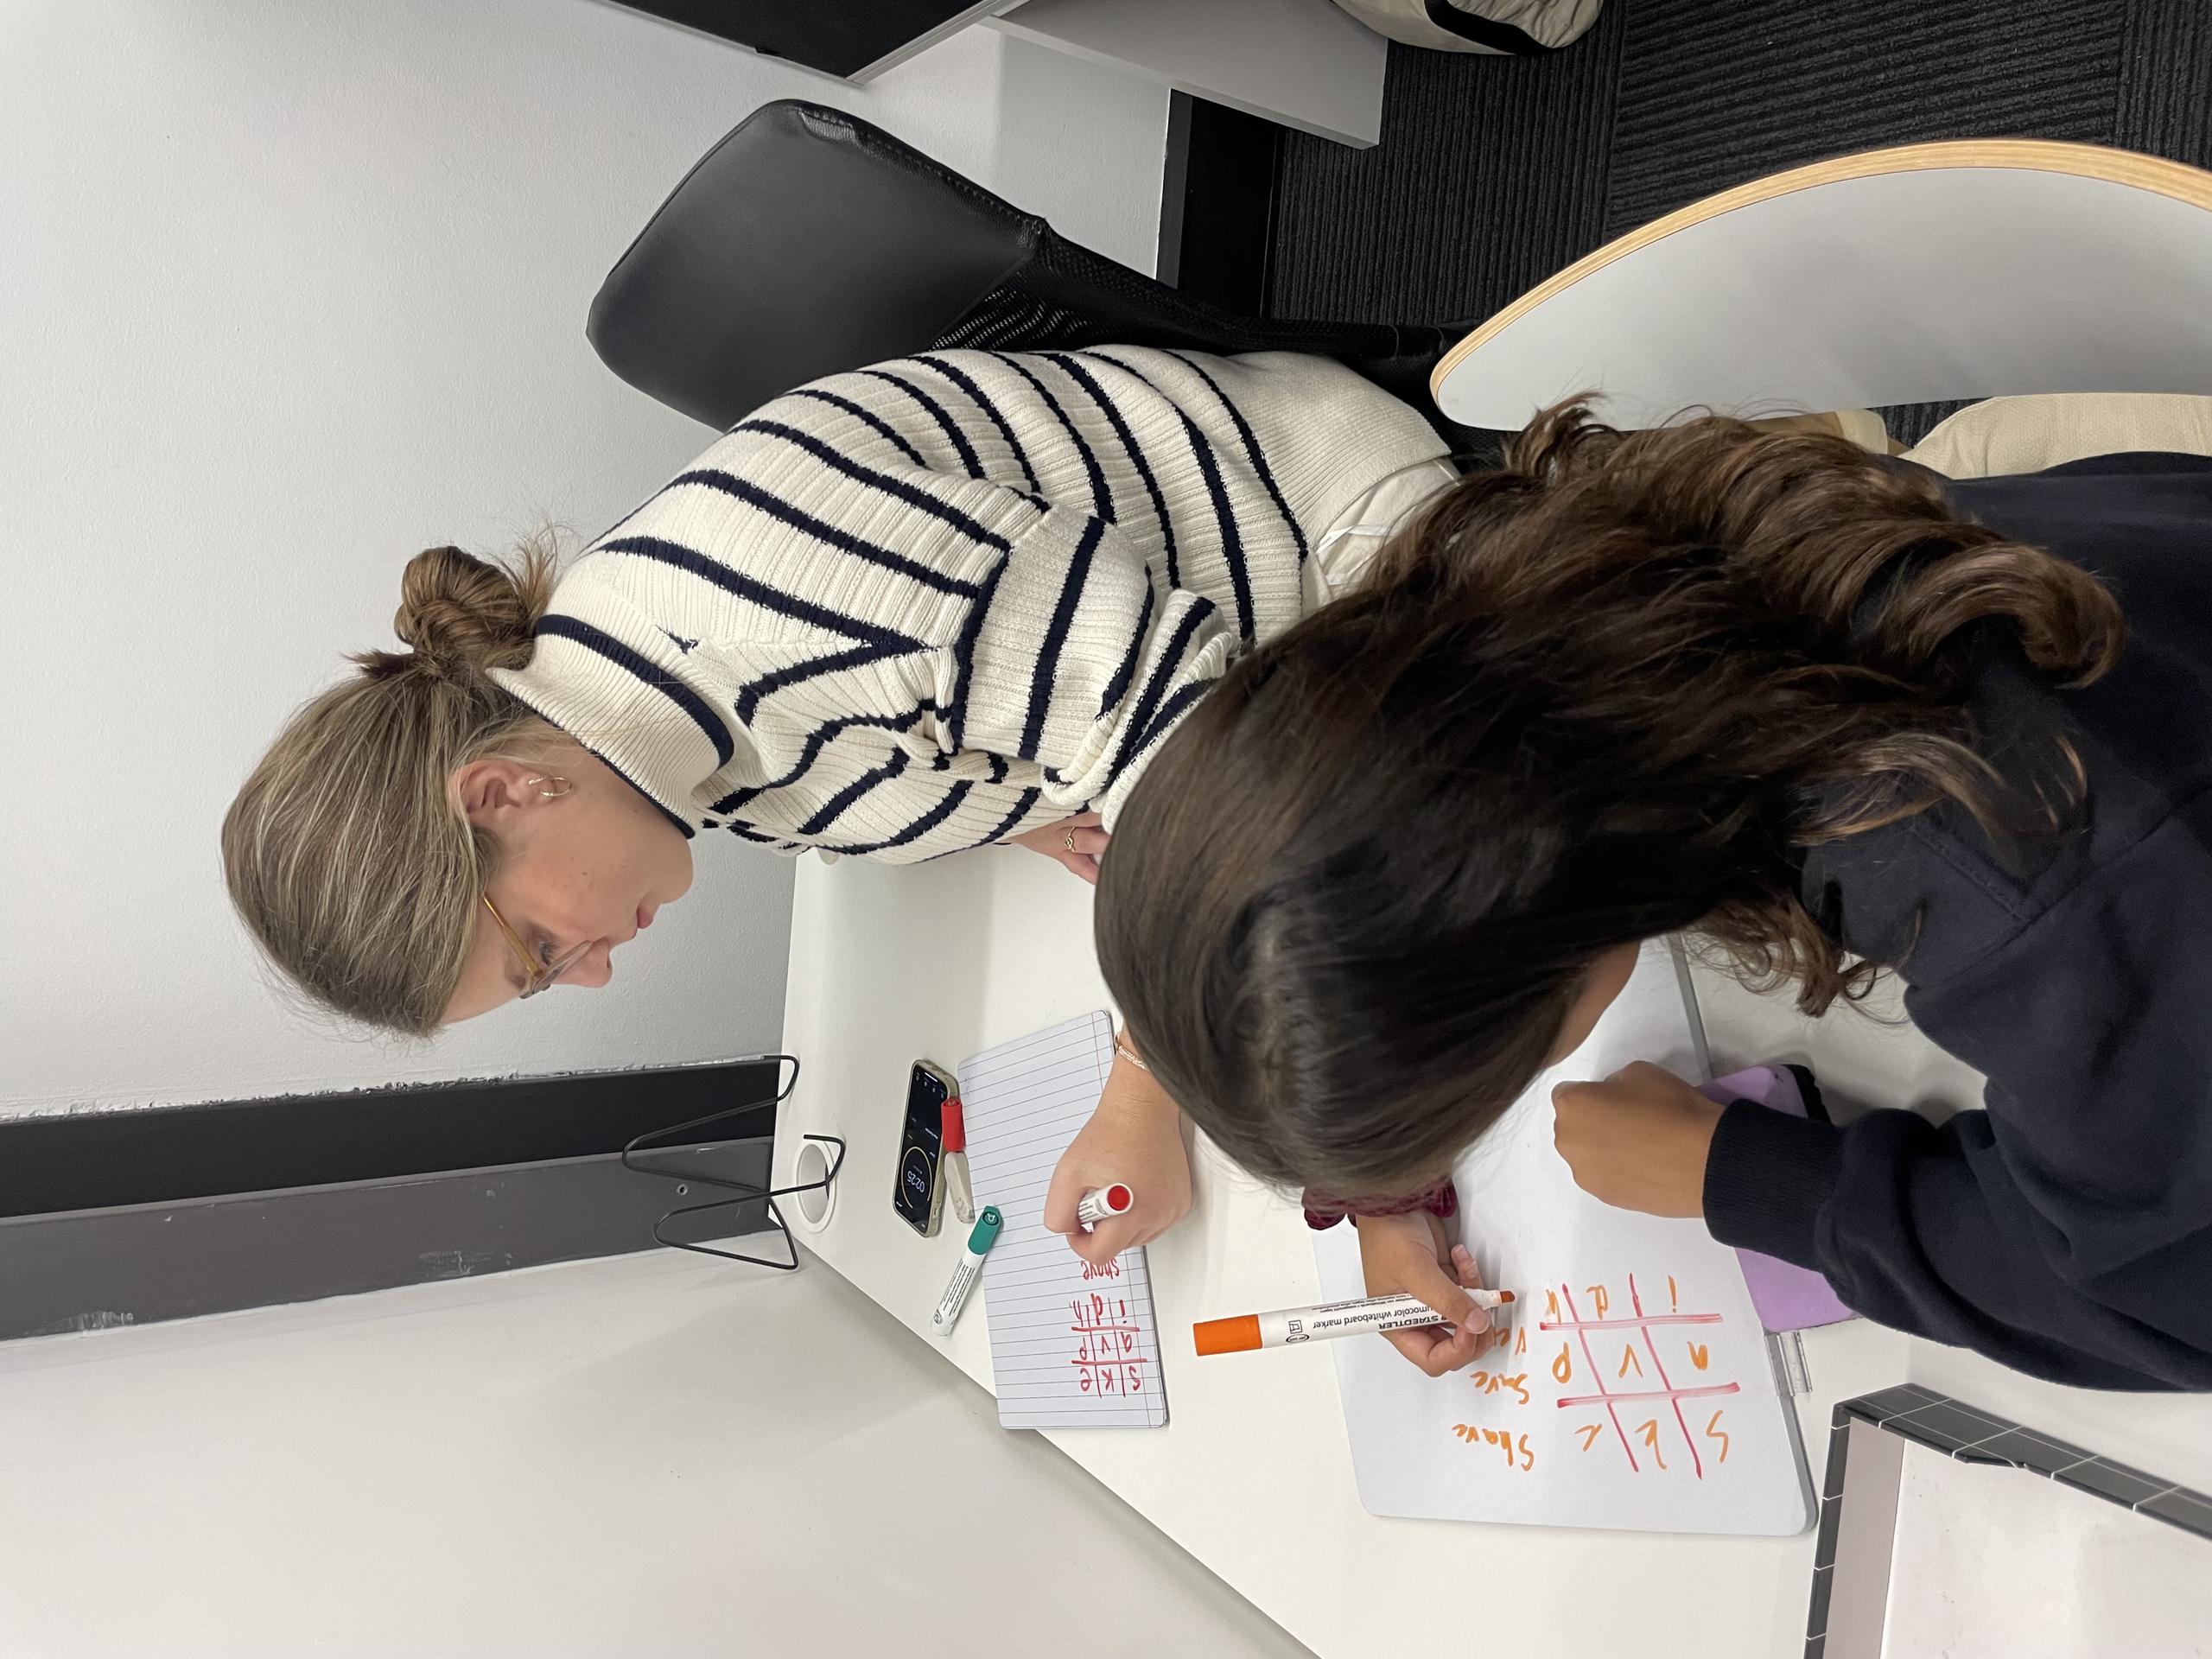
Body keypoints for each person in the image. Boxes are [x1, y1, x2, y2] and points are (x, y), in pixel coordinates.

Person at [223, 345, 1451, 1253]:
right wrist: (1017, 796)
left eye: (538, 952)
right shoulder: (650, 748)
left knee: (1457, 937)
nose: (589, 975)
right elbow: (890, 760)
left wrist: (1163, 1087)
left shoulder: (773, 597)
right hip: (1243, 667)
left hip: (1337, 545)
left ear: (500, 792)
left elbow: (1211, 760)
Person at [1091, 402, 2212, 1390]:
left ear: (1551, 942)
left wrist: (1754, 1180)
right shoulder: (1574, 593)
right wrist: (1388, 1173)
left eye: (1501, 1076)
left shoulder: (2004, 873)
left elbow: (2174, 1303)